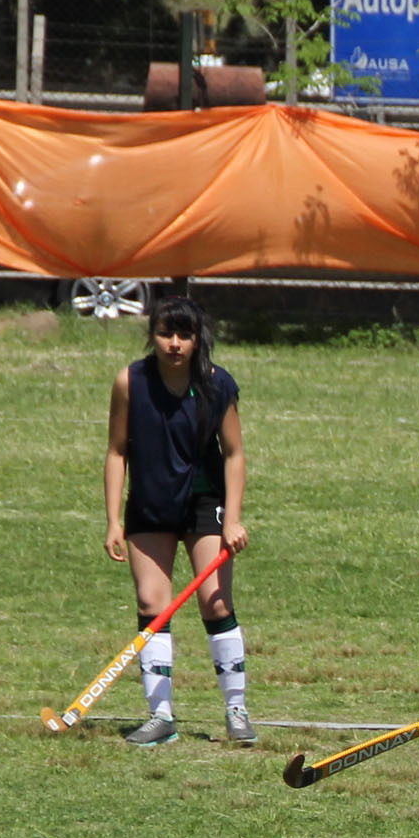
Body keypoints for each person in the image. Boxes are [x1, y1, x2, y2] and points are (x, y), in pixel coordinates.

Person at [102, 294, 250, 745]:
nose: (175, 343)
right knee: (153, 603)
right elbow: (116, 451)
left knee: (216, 603)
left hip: (205, 504)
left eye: (184, 335)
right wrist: (113, 520)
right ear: (152, 335)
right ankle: (161, 716)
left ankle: (236, 711)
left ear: (196, 339)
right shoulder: (130, 381)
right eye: (166, 333)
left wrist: (234, 519)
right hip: (150, 505)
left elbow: (235, 454)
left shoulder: (216, 384)